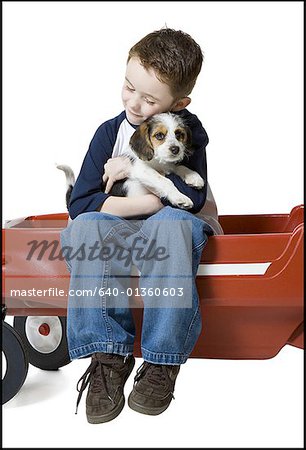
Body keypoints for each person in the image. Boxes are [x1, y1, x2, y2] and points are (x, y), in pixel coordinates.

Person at [60, 27, 214, 424]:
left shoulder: (185, 131)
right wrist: (144, 200)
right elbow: (81, 204)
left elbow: (193, 200)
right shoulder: (108, 133)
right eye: (129, 87)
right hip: (124, 226)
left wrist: (137, 176)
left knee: (172, 226)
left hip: (171, 225)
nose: (134, 103)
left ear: (179, 103)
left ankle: (161, 362)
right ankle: (108, 355)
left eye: (149, 99)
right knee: (85, 229)